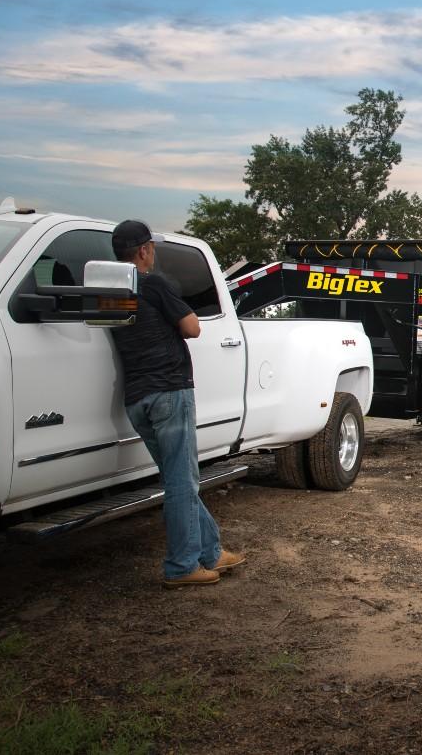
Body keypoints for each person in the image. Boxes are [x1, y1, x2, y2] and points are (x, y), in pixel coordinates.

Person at [110, 220, 244, 587]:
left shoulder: (108, 291)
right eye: (150, 247)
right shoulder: (152, 284)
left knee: (178, 479)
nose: (152, 252)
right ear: (143, 251)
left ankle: (211, 551)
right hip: (169, 391)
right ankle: (182, 566)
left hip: (137, 398)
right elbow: (192, 327)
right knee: (183, 482)